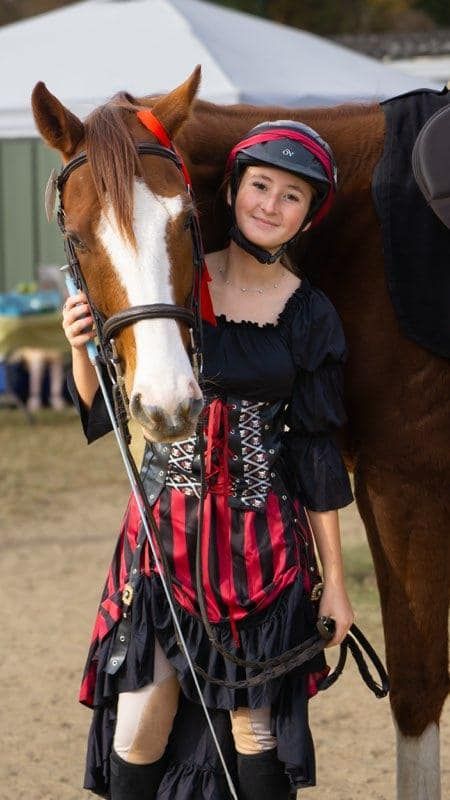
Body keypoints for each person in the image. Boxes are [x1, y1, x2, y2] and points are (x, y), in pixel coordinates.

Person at [62, 120, 354, 800]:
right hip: (167, 536)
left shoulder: (311, 316)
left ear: (309, 217)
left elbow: (315, 457)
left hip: (263, 548)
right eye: (260, 186)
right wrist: (80, 347)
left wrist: (335, 581)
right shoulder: (175, 285)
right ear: (231, 190)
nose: (270, 205)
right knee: (139, 723)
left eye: (292, 197)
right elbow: (103, 409)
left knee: (258, 734)